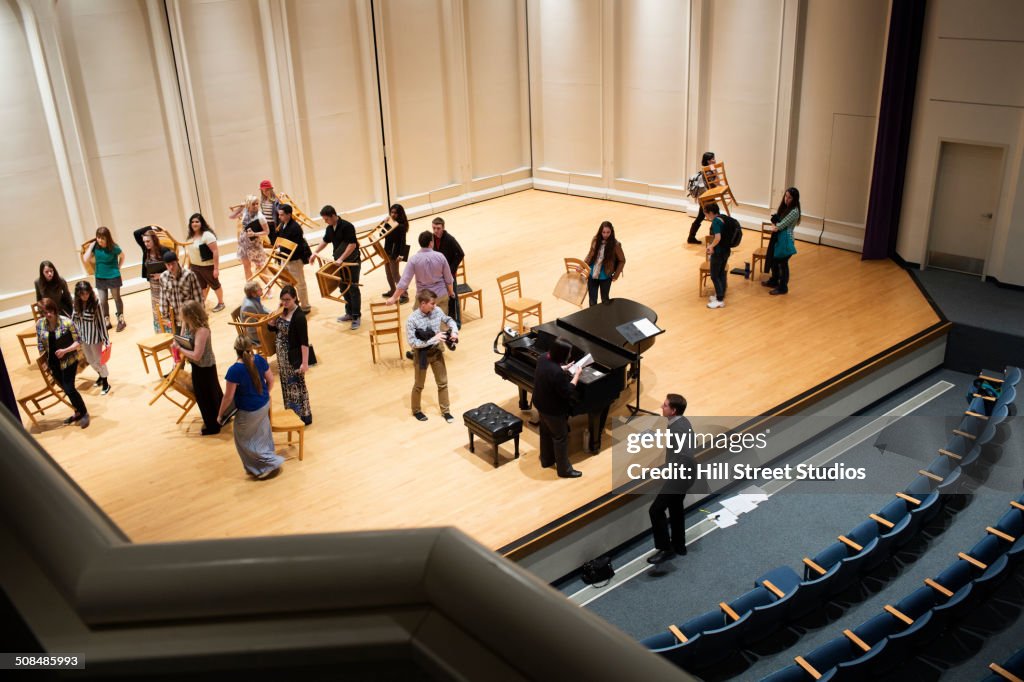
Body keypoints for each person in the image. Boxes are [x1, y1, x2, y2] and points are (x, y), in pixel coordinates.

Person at [218, 336, 284, 480]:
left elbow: (228, 397)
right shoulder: (260, 360)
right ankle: (264, 460)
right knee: (262, 433)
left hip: (249, 411)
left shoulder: (234, 371)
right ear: (251, 347)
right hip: (264, 403)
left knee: (243, 440)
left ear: (236, 350)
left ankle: (266, 465)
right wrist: (263, 395)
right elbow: (271, 380)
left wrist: (220, 414)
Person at [646, 394, 696, 565]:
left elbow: (686, 455)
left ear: (673, 410)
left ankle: (665, 549)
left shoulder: (678, 428)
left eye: (665, 405)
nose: (661, 406)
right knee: (675, 508)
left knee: (655, 510)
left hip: (680, 476)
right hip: (685, 474)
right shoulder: (679, 422)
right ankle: (679, 545)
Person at [533, 337, 583, 478]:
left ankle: (546, 460)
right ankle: (564, 470)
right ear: (562, 354)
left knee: (545, 432)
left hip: (540, 403)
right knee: (560, 438)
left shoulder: (543, 358)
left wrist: (563, 368)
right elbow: (567, 391)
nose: (569, 355)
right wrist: (577, 375)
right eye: (568, 353)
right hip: (552, 410)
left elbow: (549, 371)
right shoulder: (556, 373)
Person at [35, 298, 89, 428]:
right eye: (44, 312)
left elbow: (79, 341)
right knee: (65, 388)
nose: (48, 314)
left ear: (54, 309)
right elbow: (40, 345)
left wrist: (65, 350)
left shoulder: (67, 322)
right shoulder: (40, 324)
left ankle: (84, 413)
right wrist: (43, 362)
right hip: (53, 363)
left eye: (50, 311)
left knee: (70, 388)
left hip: (69, 360)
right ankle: (77, 411)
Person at [406, 290, 458, 422]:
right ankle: (416, 410)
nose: (435, 306)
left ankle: (446, 412)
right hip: (421, 355)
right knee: (419, 385)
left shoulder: (437, 311)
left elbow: (449, 320)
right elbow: (413, 343)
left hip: (436, 352)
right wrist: (434, 339)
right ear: (423, 304)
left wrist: (454, 332)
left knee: (443, 383)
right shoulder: (412, 320)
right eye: (432, 304)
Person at [174, 301, 224, 436]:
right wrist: (183, 328)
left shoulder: (202, 331)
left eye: (184, 316)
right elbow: (183, 337)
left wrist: (180, 349)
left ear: (191, 315)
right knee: (214, 394)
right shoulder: (192, 325)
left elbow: (196, 355)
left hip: (204, 367)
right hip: (200, 366)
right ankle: (222, 417)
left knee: (206, 397)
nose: (182, 318)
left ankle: (213, 426)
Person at [269, 285, 312, 425]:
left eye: (288, 300)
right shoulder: (282, 310)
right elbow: (271, 327)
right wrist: (276, 314)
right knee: (286, 385)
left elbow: (304, 342)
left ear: (295, 298)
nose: (285, 302)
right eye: (283, 300)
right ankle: (291, 414)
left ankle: (302, 416)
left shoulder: (299, 317)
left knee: (297, 385)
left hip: (293, 356)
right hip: (282, 357)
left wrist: (304, 363)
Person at [315, 205, 361, 329]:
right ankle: (349, 313)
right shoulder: (330, 228)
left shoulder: (347, 226)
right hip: (340, 263)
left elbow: (352, 245)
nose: (325, 221)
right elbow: (325, 240)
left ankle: (356, 316)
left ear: (333, 216)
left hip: (352, 261)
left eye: (326, 219)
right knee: (343, 286)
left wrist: (341, 258)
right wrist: (315, 252)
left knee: (353, 288)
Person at [386, 231, 454, 313]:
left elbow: (404, 281)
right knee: (440, 322)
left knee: (420, 323)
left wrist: (394, 297)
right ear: (431, 243)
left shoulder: (413, 260)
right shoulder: (440, 256)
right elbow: (448, 279)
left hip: (423, 299)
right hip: (440, 296)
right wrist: (451, 292)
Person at [82, 226, 126, 331]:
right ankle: (106, 320)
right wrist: (90, 247)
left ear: (107, 238)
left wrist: (118, 267)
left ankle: (121, 319)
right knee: (102, 300)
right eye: (98, 237)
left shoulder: (114, 247)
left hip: (113, 276)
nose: (100, 240)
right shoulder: (95, 247)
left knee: (116, 297)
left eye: (102, 238)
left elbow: (123, 256)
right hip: (100, 277)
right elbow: (85, 259)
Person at [72, 281, 111, 395]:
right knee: (90, 360)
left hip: (95, 337)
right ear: (78, 294)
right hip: (83, 337)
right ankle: (100, 375)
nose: (85, 296)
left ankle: (105, 382)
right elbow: (73, 320)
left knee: (99, 360)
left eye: (87, 293)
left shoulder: (96, 303)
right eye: (82, 294)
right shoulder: (76, 304)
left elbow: (101, 323)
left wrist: (106, 339)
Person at [133, 227, 174, 331]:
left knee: (166, 307)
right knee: (157, 308)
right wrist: (150, 228)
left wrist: (161, 275)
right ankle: (161, 330)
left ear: (154, 240)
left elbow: (174, 269)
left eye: (148, 241)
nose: (146, 244)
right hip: (154, 285)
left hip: (165, 283)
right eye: (144, 242)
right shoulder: (146, 251)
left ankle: (171, 330)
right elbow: (136, 233)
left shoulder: (164, 250)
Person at [185, 213, 226, 312]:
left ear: (201, 223)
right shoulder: (190, 236)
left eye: (197, 222)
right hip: (195, 267)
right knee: (201, 287)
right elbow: (189, 252)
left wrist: (216, 268)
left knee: (215, 285)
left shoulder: (207, 235)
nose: (194, 224)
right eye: (192, 222)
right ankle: (202, 304)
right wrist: (189, 266)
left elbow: (215, 252)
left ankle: (221, 303)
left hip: (207, 266)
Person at [276, 205, 313, 313]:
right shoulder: (283, 224)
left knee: (300, 284)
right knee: (285, 283)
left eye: (282, 214)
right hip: (285, 258)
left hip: (294, 260)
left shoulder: (295, 227)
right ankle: (291, 305)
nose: (279, 217)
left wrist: (281, 250)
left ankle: (305, 307)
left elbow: (295, 246)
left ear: (289, 215)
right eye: (279, 214)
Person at [764, 187, 801, 296]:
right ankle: (774, 281)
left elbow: (779, 226)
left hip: (786, 240)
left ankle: (783, 287)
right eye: (786, 196)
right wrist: (775, 224)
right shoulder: (784, 208)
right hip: (779, 239)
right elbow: (776, 224)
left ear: (794, 199)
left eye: (789, 198)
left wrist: (775, 225)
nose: (786, 199)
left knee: (783, 264)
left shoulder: (794, 211)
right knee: (774, 261)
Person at [430, 217, 465, 325]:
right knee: (441, 299)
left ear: (443, 228)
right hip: (438, 276)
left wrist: (451, 269)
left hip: (450, 275)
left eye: (438, 228)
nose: (436, 231)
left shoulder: (450, 239)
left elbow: (460, 253)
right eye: (434, 228)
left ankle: (457, 322)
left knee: (453, 298)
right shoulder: (432, 238)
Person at [582, 221, 626, 306]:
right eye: (603, 232)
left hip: (605, 276)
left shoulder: (616, 245)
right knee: (592, 301)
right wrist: (582, 266)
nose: (605, 234)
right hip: (592, 274)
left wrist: (616, 275)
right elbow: (590, 255)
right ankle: (593, 318)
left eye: (608, 232)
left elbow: (622, 260)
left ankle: (605, 318)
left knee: (605, 300)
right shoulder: (595, 240)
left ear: (611, 232)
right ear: (600, 231)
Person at [158, 251, 202, 332]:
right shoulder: (163, 277)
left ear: (177, 261)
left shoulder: (189, 275)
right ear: (165, 265)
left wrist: (200, 317)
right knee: (180, 343)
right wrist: (165, 317)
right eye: (168, 265)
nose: (171, 267)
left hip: (190, 319)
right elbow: (163, 299)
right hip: (175, 321)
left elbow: (198, 297)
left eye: (173, 264)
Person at [229, 194, 269, 281]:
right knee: (246, 267)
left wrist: (254, 234)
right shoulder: (245, 211)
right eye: (253, 204)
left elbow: (267, 232)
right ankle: (250, 288)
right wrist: (241, 207)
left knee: (261, 267)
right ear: (248, 205)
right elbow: (231, 216)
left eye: (257, 203)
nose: (255, 206)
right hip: (244, 244)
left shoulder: (260, 217)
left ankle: (269, 290)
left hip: (254, 245)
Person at [381, 203, 409, 303]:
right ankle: (393, 290)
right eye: (392, 212)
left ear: (399, 214)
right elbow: (382, 234)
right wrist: (385, 223)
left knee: (395, 274)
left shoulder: (401, 226)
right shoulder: (390, 223)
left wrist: (401, 254)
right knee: (388, 273)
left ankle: (404, 294)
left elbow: (403, 241)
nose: (393, 215)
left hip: (395, 253)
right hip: (387, 251)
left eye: (395, 213)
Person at [687, 152, 716, 244]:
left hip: (704, 198)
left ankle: (691, 237)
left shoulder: (707, 169)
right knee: (715, 217)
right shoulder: (708, 171)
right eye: (712, 159)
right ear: (708, 161)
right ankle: (713, 239)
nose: (714, 160)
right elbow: (713, 182)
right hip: (707, 198)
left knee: (701, 216)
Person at [704, 203, 730, 309]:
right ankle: (721, 295)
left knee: (714, 275)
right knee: (721, 273)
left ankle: (720, 300)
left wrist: (711, 246)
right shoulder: (722, 218)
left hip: (718, 252)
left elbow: (717, 237)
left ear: (710, 212)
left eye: (706, 213)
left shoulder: (715, 222)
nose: (706, 216)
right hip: (726, 251)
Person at [240, 280, 270, 345]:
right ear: (253, 294)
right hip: (255, 335)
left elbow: (262, 308)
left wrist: (271, 313)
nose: (261, 289)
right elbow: (252, 329)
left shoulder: (254, 298)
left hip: (260, 326)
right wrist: (268, 325)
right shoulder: (249, 307)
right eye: (259, 289)